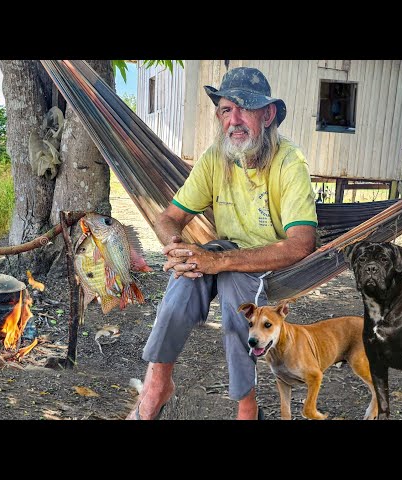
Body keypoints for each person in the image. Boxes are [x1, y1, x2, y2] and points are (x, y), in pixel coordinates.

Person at [127, 66, 318, 420]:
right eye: (226, 110)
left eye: (244, 108)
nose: (234, 120)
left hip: (266, 259)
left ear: (268, 114)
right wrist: (176, 248)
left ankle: (247, 405)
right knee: (179, 292)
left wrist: (219, 263)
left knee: (236, 310)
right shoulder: (216, 156)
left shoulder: (289, 162)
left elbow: (301, 244)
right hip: (222, 249)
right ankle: (157, 387)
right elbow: (169, 217)